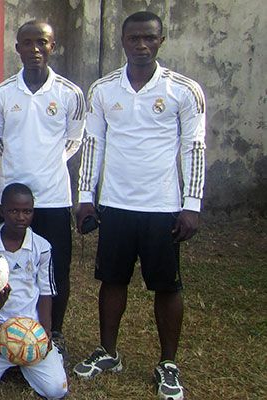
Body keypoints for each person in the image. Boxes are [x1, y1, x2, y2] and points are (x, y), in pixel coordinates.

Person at [73, 12, 206, 400]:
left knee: (166, 285)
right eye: (134, 38)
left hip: (163, 206)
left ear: (161, 40)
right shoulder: (103, 89)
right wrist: (85, 199)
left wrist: (191, 204)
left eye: (149, 38)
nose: (141, 45)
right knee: (112, 280)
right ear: (123, 40)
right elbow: (92, 144)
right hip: (114, 205)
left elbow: (193, 147)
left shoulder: (185, 89)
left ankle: (168, 363)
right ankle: (107, 351)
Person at [0, 20, 85, 349]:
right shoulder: (1, 93)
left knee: (56, 268)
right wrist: (17, 173)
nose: (35, 49)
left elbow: (73, 142)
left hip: (53, 197)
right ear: (18, 48)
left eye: (41, 42)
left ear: (52, 46)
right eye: (27, 43)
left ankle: (53, 332)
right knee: (6, 265)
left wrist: (46, 164)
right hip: (11, 197)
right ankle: (4, 323)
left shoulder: (70, 94)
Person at [0, 183, 67, 399]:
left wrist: (45, 333)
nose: (21, 217)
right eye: (13, 211)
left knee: (56, 391)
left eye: (27, 211)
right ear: (1, 210)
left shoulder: (42, 246)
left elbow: (46, 292)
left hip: (30, 330)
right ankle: (5, 358)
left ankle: (29, 359)